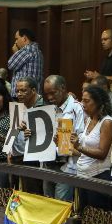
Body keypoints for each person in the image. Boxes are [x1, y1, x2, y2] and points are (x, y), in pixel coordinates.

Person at [42, 74, 85, 202]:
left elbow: (81, 140)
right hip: (49, 163)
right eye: (47, 94)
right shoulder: (50, 109)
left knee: (60, 208)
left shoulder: (77, 108)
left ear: (63, 88)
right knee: (48, 205)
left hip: (68, 167)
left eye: (53, 93)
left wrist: (64, 143)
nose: (49, 97)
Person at [72, 85, 112, 209]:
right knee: (80, 216)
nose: (82, 104)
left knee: (96, 221)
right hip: (81, 175)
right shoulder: (88, 120)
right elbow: (83, 151)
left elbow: (102, 153)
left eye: (87, 101)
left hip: (98, 177)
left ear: (98, 102)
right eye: (82, 100)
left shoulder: (107, 122)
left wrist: (79, 146)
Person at [8, 28, 44, 96]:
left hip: (24, 96)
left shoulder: (28, 49)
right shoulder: (37, 50)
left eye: (17, 38)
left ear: (24, 38)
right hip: (31, 95)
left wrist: (16, 52)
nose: (15, 42)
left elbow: (11, 65)